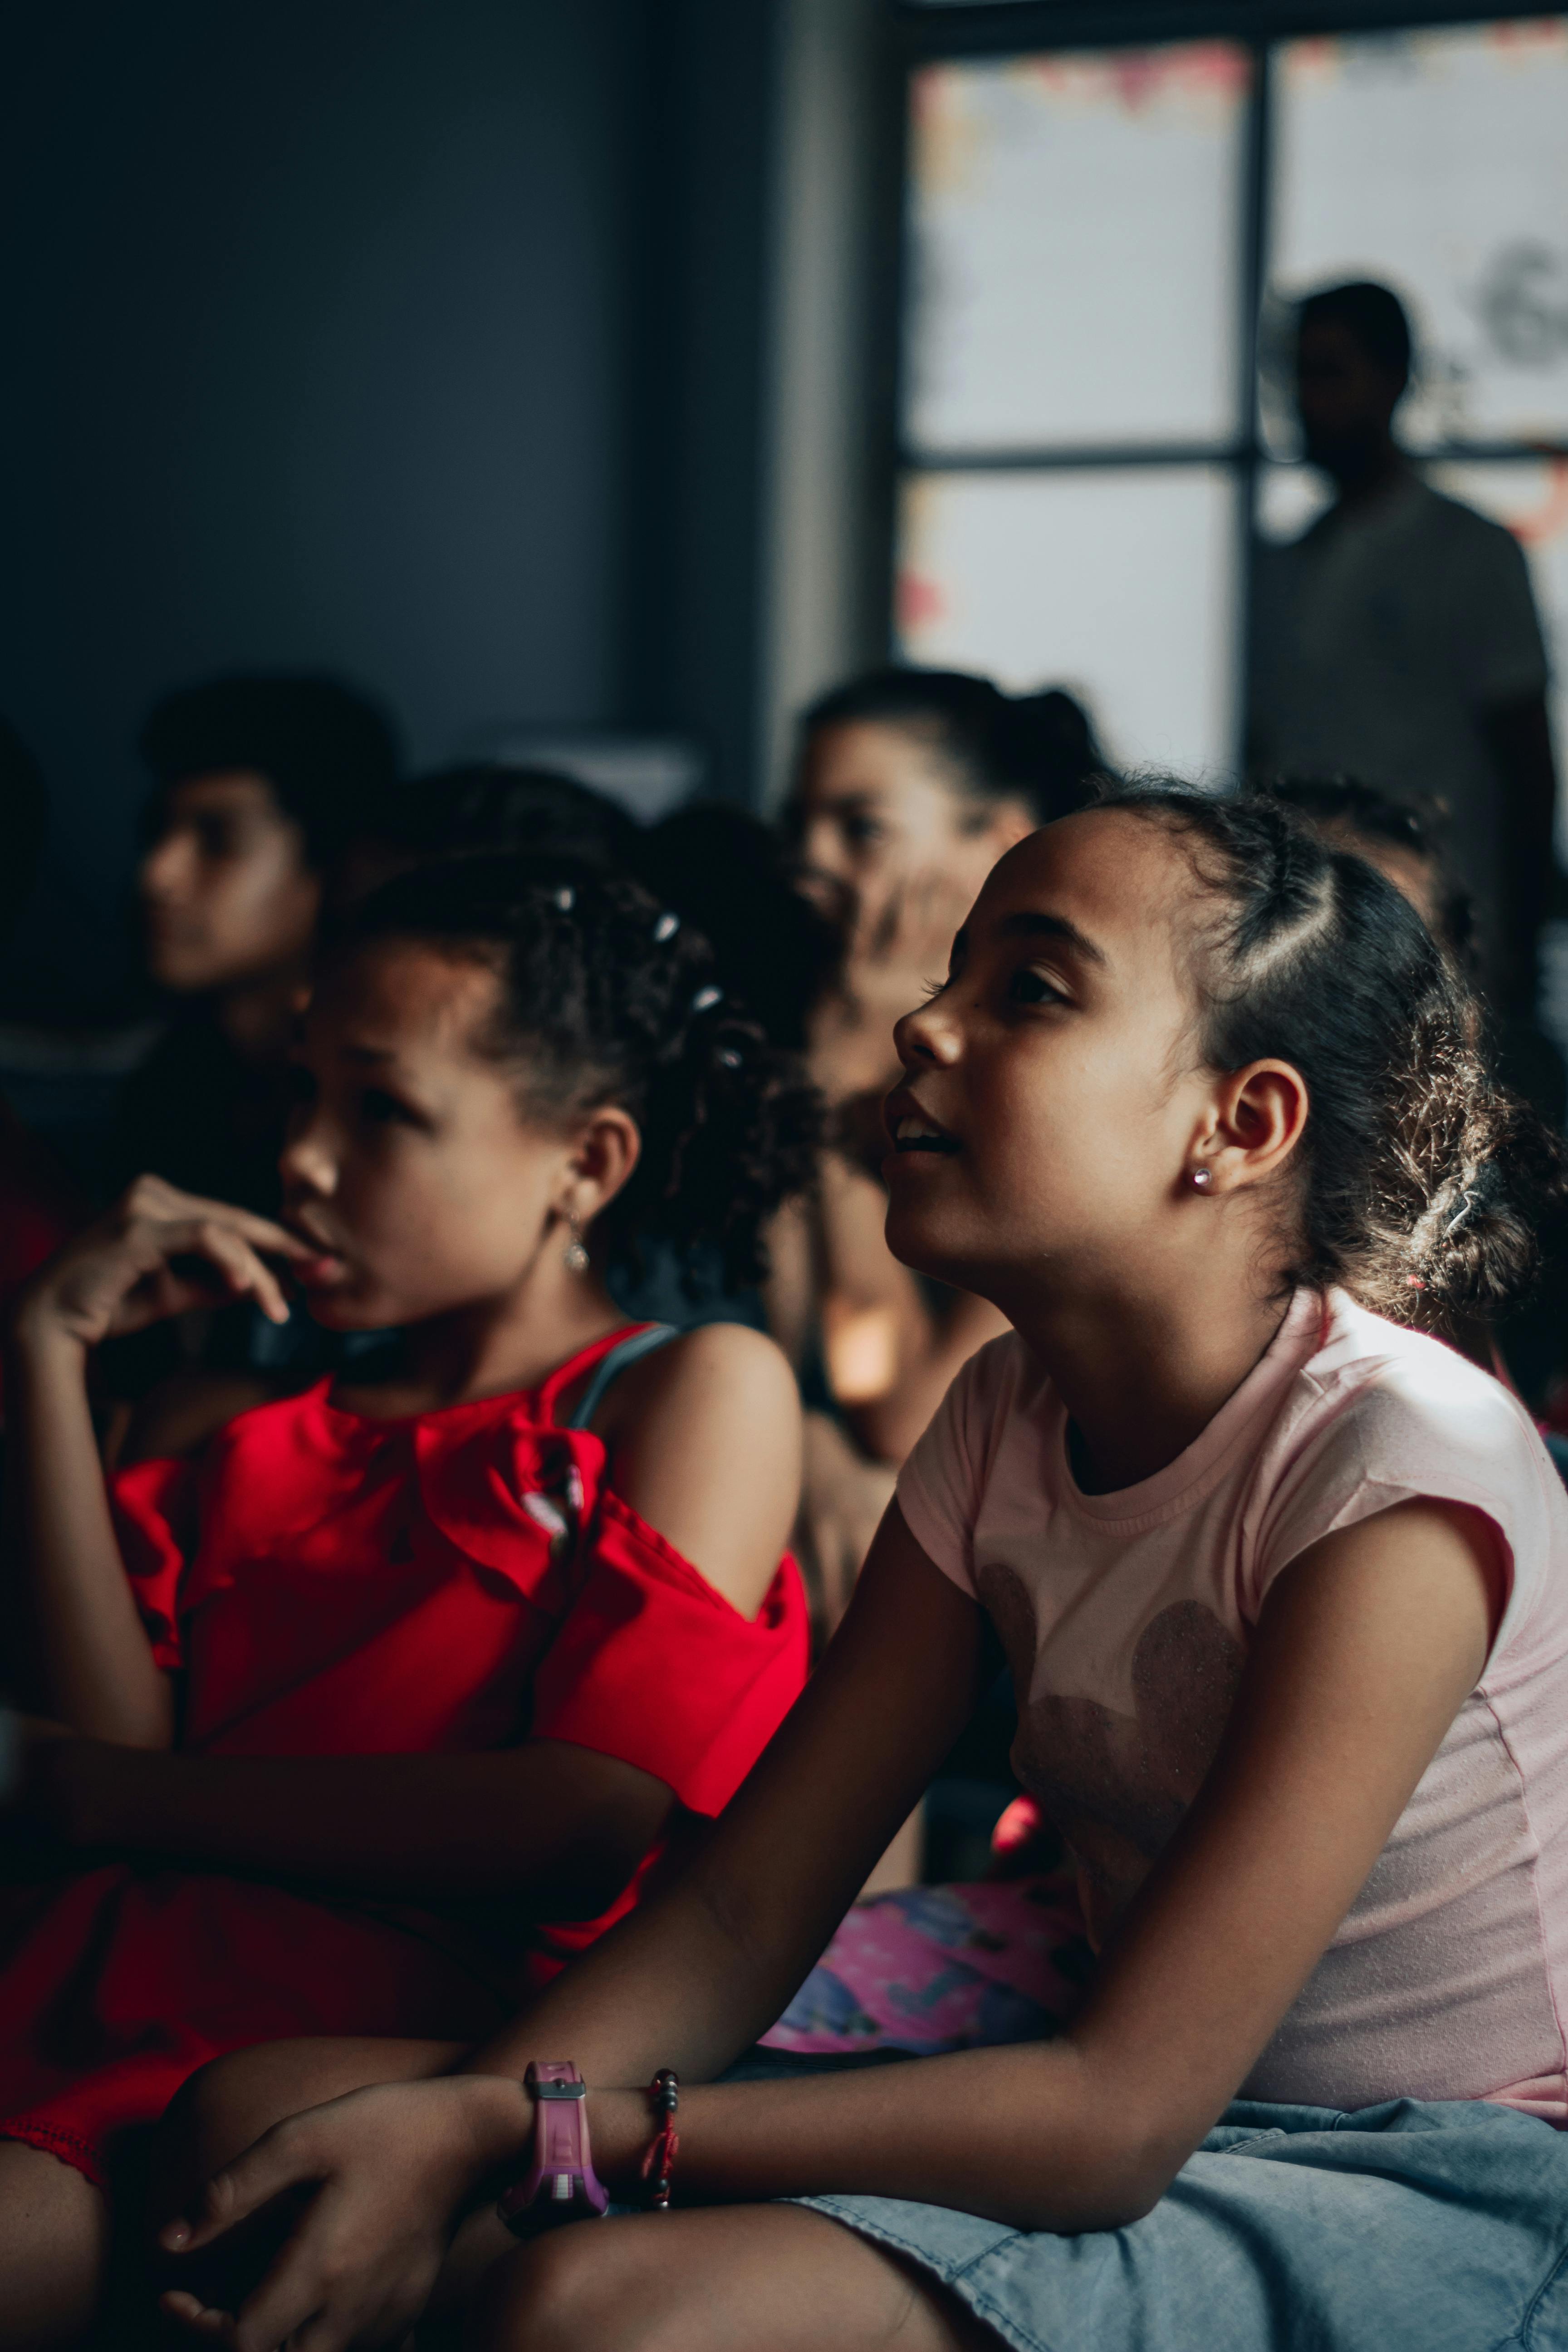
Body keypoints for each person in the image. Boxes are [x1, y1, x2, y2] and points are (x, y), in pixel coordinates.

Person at [157, 788, 1568, 2352]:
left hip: (1438, 2165)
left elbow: (1112, 2122)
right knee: (273, 2117)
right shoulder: (1003, 1410)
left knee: (591, 2304)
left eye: (1027, 988)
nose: (924, 1026)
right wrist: (485, 2133)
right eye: (948, 974)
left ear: (1236, 1125)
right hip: (1137, 2059)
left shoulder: (1391, 1460)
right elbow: (740, 1910)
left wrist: (539, 2139)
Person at [0, 855, 816, 2347]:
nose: (302, 1156)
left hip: (366, 2031)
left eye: (380, 1110)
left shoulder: (685, 1390)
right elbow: (101, 1740)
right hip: (74, 1974)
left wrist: (110, 1794)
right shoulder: (211, 1419)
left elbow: (579, 1817)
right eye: (301, 1094)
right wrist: (45, 1357)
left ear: (583, 1163)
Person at [1250, 280, 1562, 1034]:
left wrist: (1517, 937)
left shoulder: (1470, 552)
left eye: (1328, 371)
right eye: (1296, 373)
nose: (1302, 397)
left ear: (1392, 380)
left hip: (1444, 922)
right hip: (1307, 919)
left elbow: (1525, 756)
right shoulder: (1288, 565)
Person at [108, 673, 401, 1217]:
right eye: (158, 833)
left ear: (337, 865)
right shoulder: (165, 1093)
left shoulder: (382, 1107)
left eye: (219, 841)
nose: (158, 877)